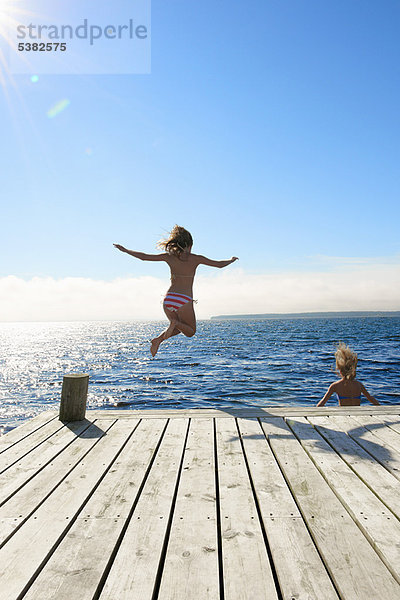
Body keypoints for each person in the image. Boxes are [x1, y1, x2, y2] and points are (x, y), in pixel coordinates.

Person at [114, 225, 238, 356]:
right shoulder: (196, 258)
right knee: (190, 331)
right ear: (189, 244)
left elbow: (144, 257)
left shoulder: (169, 257)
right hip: (183, 300)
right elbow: (219, 265)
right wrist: (231, 260)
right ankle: (174, 323)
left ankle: (158, 340)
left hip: (168, 299)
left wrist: (126, 250)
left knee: (180, 327)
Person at [317, 342, 380, 407]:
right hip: (356, 414)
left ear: (340, 371)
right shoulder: (359, 385)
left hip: (344, 415)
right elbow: (371, 399)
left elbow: (322, 403)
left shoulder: (335, 386)